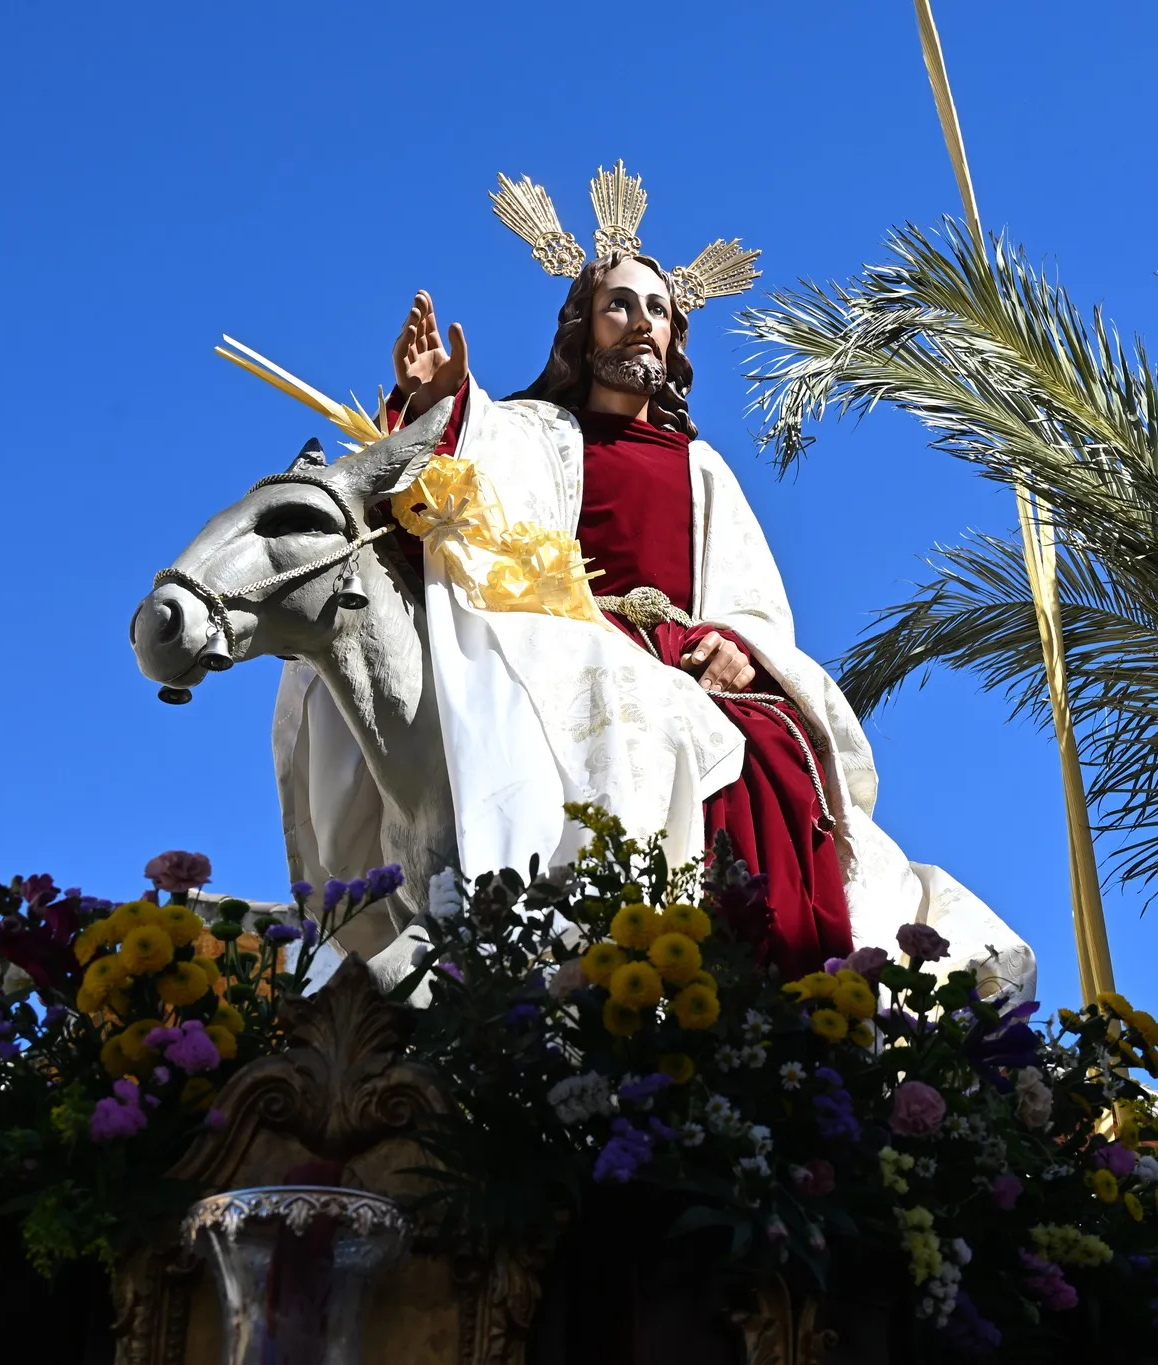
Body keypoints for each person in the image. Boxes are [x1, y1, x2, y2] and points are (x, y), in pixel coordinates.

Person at [277, 165, 1033, 994]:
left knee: (768, 751)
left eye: (658, 311)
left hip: (679, 651)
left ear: (675, 340)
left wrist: (739, 649)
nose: (640, 322)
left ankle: (761, 971)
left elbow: (749, 598)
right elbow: (462, 496)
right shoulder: (534, 430)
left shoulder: (700, 468)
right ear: (583, 327)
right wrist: (433, 406)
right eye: (619, 305)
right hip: (560, 632)